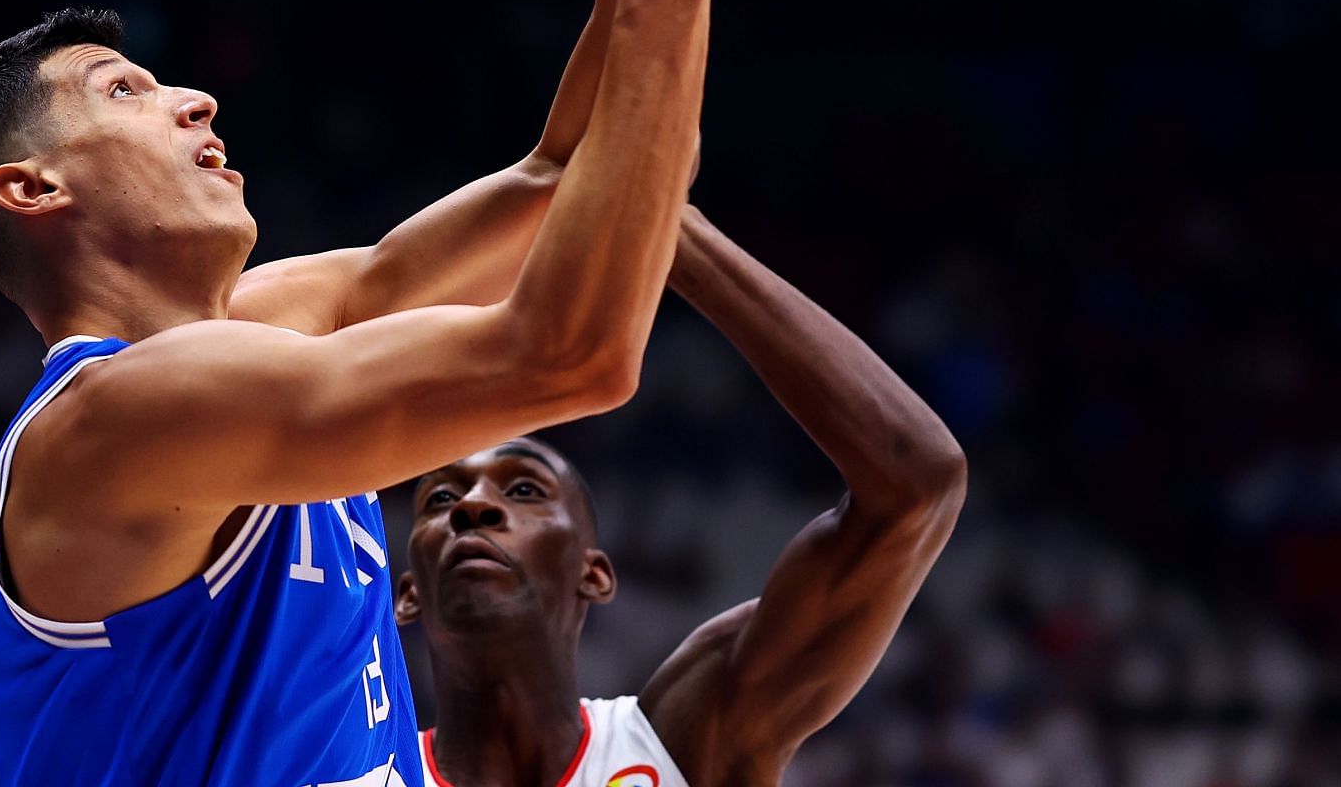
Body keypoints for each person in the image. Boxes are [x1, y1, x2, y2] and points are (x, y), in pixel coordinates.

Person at [0, 0, 847, 785]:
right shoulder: (115, 422)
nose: (195, 99)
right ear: (31, 188)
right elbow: (573, 352)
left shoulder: (249, 333)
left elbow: (555, 172)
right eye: (125, 91)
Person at [396, 204, 968, 787]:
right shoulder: (349, 771)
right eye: (440, 501)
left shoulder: (691, 735)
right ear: (407, 593)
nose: (472, 507)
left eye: (524, 489)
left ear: (593, 575)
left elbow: (915, 486)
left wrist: (668, 224)